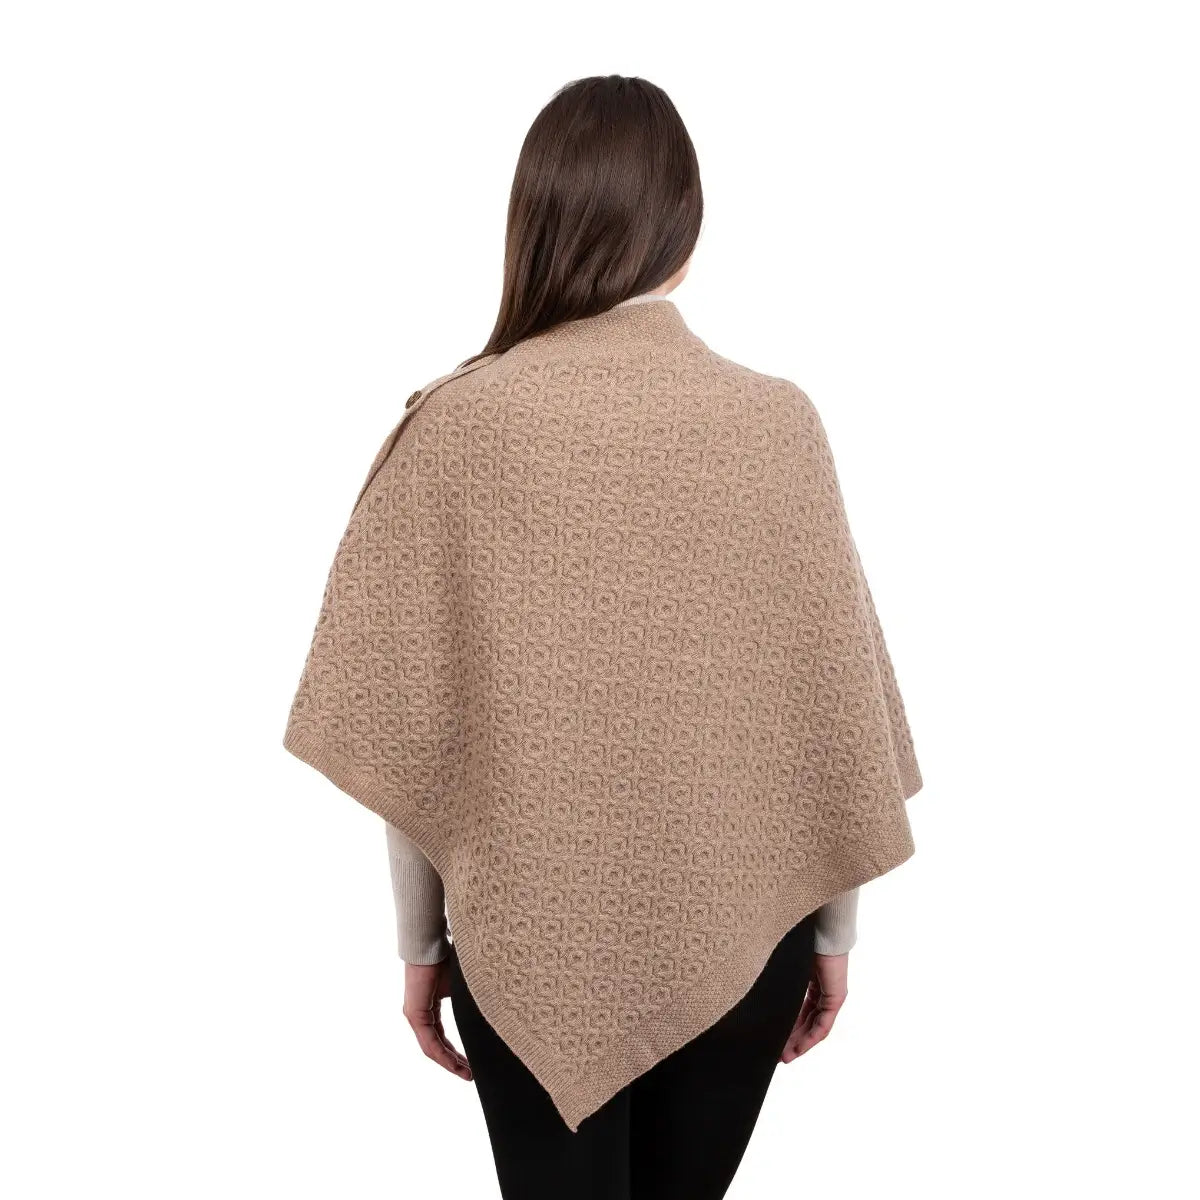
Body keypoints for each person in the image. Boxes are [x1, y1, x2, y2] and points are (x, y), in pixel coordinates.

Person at [283, 74, 922, 1200]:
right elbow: (825, 724)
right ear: (686, 225)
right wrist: (833, 933)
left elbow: (415, 726)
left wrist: (420, 947)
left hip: (525, 939)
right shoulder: (775, 424)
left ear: (534, 217)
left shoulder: (458, 423)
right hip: (745, 930)